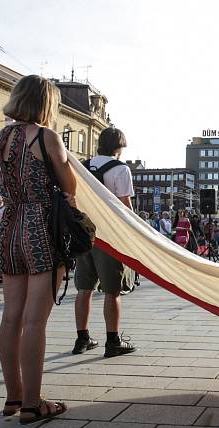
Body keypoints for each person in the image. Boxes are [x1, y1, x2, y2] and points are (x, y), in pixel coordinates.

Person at [0, 75, 71, 423]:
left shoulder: (2, 138)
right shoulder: (46, 136)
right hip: (40, 228)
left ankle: (13, 397)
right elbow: (68, 186)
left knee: (11, 316)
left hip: (10, 227)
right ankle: (32, 402)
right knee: (34, 321)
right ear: (46, 104)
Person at [73, 127, 137, 358]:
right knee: (112, 290)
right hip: (108, 236)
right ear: (119, 147)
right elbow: (124, 205)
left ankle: (82, 339)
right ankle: (113, 341)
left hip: (84, 234)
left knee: (84, 288)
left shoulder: (83, 166)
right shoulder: (120, 169)